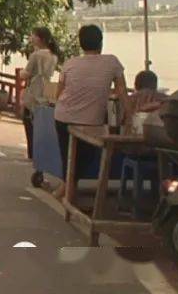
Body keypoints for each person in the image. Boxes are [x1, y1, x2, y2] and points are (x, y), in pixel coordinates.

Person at [52, 25, 126, 199]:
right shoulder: (112, 62)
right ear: (101, 43)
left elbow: (58, 93)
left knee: (68, 155)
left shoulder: (70, 63)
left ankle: (66, 190)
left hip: (63, 116)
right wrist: (129, 116)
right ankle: (68, 191)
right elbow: (122, 92)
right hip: (90, 120)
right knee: (87, 156)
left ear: (81, 44)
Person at [17, 27, 61, 159]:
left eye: (34, 36)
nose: (31, 38)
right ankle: (40, 152)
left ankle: (32, 153)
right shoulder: (53, 55)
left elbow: (26, 74)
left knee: (28, 121)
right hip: (45, 89)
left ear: (40, 38)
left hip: (34, 89)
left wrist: (21, 73)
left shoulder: (36, 55)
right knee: (41, 123)